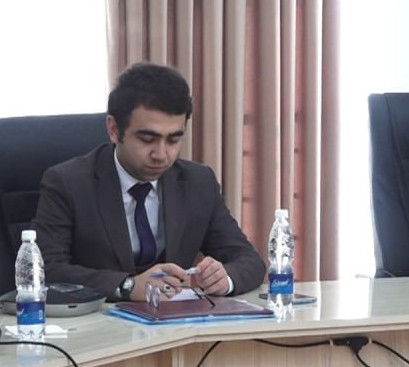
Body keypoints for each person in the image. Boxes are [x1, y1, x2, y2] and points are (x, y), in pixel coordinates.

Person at [33, 62, 265, 302]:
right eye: (147, 139)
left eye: (173, 140)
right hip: (98, 318)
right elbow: (46, 270)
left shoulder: (198, 182)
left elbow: (249, 260)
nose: (161, 154)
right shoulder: (68, 183)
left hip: (172, 318)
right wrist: (127, 285)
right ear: (114, 129)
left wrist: (225, 279)